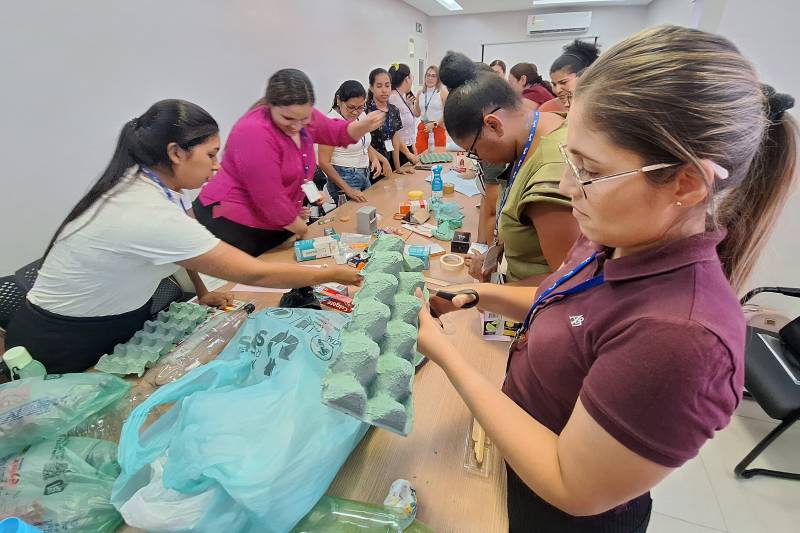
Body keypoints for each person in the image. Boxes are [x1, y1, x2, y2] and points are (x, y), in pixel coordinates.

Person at [419, 25, 797, 533]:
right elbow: (565, 307)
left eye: (590, 170)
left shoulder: (682, 338)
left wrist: (447, 356)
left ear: (685, 183)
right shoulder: (612, 234)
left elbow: (572, 486)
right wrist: (476, 294)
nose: (567, 185)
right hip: (518, 457)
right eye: (570, 159)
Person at [4, 99, 364, 374]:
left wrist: (204, 292)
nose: (216, 164)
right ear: (176, 153)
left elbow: (190, 236)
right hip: (66, 340)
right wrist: (333, 273)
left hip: (121, 317)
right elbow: (253, 273)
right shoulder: (141, 208)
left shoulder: (163, 186)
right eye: (210, 154)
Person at [194, 69, 384, 256]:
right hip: (234, 222)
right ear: (269, 106)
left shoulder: (302, 116)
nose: (297, 126)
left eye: (304, 118)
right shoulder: (254, 133)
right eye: (288, 119)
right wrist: (303, 229)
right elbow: (270, 199)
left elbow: (334, 132)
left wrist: (363, 126)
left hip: (278, 220)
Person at [439, 53, 580, 284]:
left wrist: (483, 295)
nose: (480, 159)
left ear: (493, 125)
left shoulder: (552, 172)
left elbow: (567, 283)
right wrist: (493, 256)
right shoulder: (538, 131)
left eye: (475, 151)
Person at [318, 80, 391, 202]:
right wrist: (347, 189)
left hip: (363, 173)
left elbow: (364, 143)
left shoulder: (360, 115)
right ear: (338, 100)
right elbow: (323, 162)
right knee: (352, 217)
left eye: (361, 107)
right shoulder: (329, 123)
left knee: (369, 211)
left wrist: (376, 159)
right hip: (344, 177)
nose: (355, 112)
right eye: (351, 107)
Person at [365, 68, 412, 174]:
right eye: (379, 86)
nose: (384, 90)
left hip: (389, 161)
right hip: (372, 164)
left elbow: (395, 138)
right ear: (371, 88)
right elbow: (364, 142)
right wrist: (382, 161)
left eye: (387, 85)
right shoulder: (365, 110)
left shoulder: (393, 109)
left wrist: (397, 167)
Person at [540, 40, 602, 113]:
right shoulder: (547, 109)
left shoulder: (603, 107)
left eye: (563, 82)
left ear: (584, 76)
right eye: (554, 84)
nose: (558, 90)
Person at [388, 63, 421, 170]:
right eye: (411, 77)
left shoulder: (403, 96)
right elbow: (394, 132)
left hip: (408, 149)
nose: (412, 80)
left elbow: (408, 128)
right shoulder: (393, 98)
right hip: (400, 152)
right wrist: (408, 153)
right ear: (406, 79)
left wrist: (413, 148)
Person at [413, 65, 448, 154]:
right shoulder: (420, 93)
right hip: (423, 128)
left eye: (433, 76)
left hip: (438, 127)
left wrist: (434, 124)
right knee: (420, 155)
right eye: (428, 75)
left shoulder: (442, 92)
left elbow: (447, 113)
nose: (430, 78)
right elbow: (417, 113)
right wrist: (409, 105)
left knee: (439, 156)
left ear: (438, 79)